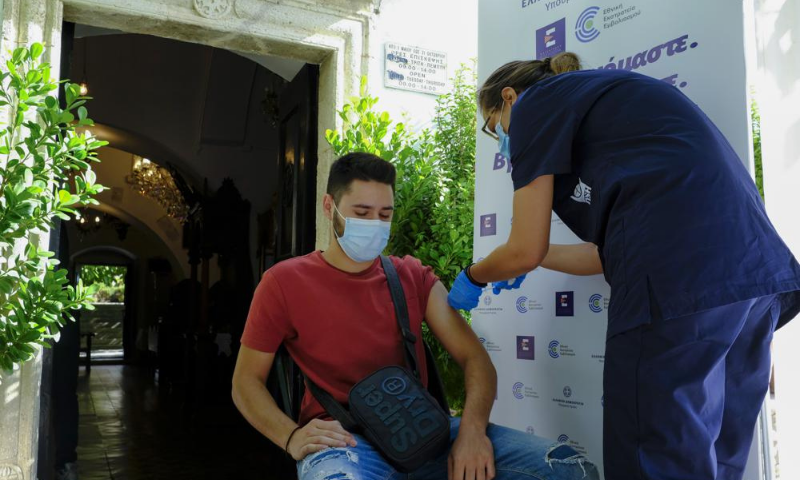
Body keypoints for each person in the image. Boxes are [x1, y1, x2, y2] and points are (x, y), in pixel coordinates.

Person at [447, 52, 800, 480]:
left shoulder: (536, 105)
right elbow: (600, 254)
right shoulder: (610, 105)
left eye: (494, 125)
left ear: (508, 98)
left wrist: (475, 275)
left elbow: (524, 247)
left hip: (677, 282)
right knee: (716, 455)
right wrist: (533, 262)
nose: (502, 137)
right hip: (751, 278)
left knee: (652, 459)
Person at [232, 152, 599, 480]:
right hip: (343, 443)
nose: (375, 224)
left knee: (571, 469)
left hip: (424, 434)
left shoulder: (411, 275)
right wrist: (291, 436)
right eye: (362, 213)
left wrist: (472, 433)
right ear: (330, 207)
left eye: (385, 214)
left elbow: (475, 360)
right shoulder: (283, 282)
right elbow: (246, 381)